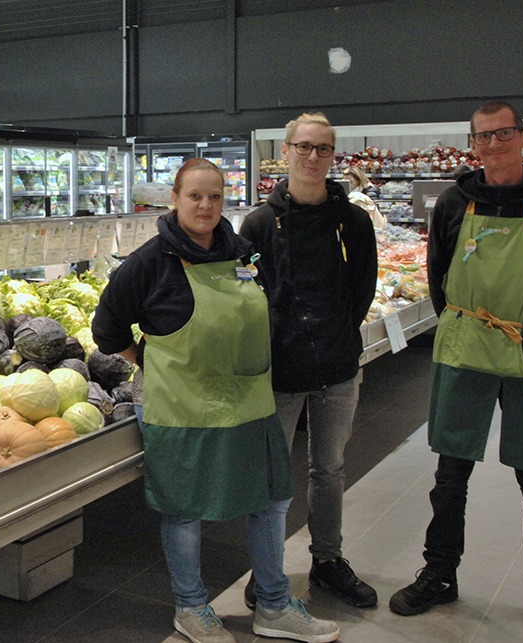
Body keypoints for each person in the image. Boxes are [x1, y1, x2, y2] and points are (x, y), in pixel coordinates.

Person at [92, 158, 340, 643]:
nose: (205, 206)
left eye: (215, 196)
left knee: (271, 499)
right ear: (175, 200)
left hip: (249, 396)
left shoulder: (244, 253)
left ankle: (272, 603)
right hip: (180, 404)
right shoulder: (148, 262)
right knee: (185, 508)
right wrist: (149, 358)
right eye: (195, 196)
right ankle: (190, 607)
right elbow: (107, 330)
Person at [388, 100, 523, 643]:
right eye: (483, 137)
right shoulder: (454, 202)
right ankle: (439, 574)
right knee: (450, 473)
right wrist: (463, 324)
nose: (494, 145)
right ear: (472, 144)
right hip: (464, 345)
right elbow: (437, 275)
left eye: (504, 135)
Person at [237, 113, 379, 609]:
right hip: (280, 369)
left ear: (333, 155)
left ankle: (328, 561)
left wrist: (338, 332)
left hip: (339, 365)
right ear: (286, 151)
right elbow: (246, 294)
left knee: (330, 468)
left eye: (323, 149)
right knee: (273, 475)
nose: (313, 157)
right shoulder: (257, 223)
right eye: (304, 147)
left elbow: (364, 287)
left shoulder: (354, 221)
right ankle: (267, 569)